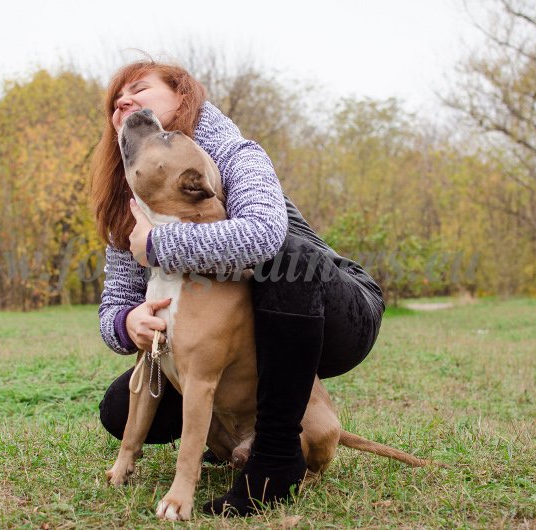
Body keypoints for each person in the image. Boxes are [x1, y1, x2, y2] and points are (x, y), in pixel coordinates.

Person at [92, 60, 385, 517]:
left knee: (283, 258)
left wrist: (157, 243)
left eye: (139, 89)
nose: (123, 101)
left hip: (331, 305)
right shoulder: (135, 189)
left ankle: (274, 459)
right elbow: (116, 300)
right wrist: (126, 322)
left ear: (182, 95)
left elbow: (263, 237)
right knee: (117, 406)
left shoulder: (232, 151)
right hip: (241, 332)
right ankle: (233, 438)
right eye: (116, 99)